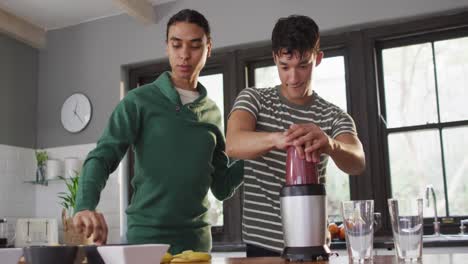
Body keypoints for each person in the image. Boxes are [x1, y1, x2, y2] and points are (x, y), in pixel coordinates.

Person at [73, 9, 243, 254]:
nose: (184, 55)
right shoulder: (138, 101)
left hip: (197, 245)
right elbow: (102, 156)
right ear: (167, 47)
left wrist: (258, 155)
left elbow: (221, 186)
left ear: (208, 47)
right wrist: (84, 205)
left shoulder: (213, 112)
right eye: (176, 45)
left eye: (195, 46)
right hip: (146, 241)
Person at [226, 15, 365, 257]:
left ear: (317, 59)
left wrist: (331, 144)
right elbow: (233, 144)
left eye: (303, 66)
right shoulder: (254, 100)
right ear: (275, 59)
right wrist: (277, 139)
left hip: (313, 244)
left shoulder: (333, 116)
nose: (293, 77)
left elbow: (357, 161)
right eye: (284, 66)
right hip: (262, 246)